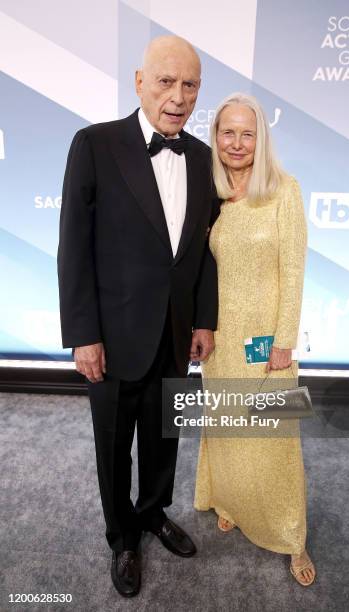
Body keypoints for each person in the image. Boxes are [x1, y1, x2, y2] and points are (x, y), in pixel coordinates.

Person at [57, 35, 219, 598]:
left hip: (175, 334)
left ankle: (153, 513)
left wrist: (204, 321)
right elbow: (74, 248)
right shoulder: (95, 144)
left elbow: (203, 254)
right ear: (139, 82)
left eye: (190, 85)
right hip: (113, 335)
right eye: (166, 81)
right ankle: (122, 536)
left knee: (162, 438)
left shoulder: (202, 158)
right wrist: (83, 335)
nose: (178, 97)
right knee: (112, 444)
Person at [193, 93, 316, 586]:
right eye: (228, 132)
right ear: (216, 137)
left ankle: (292, 537)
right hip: (222, 344)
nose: (237, 143)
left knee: (276, 441)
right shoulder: (211, 197)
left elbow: (294, 271)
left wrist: (284, 340)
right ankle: (231, 502)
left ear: (261, 137)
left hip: (268, 343)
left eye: (248, 133)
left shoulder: (284, 190)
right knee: (227, 434)